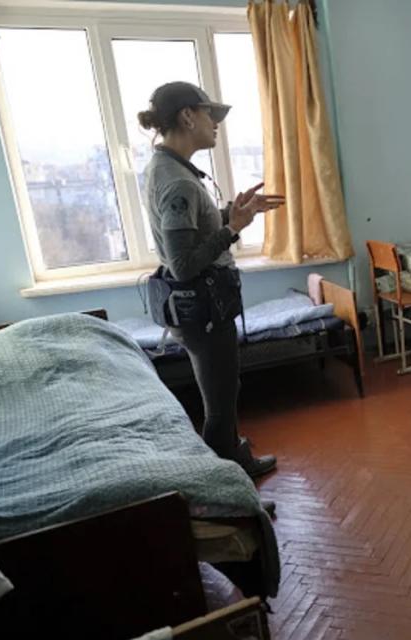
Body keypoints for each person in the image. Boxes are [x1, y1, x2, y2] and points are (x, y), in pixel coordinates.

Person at [138, 81, 284, 479]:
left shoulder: (167, 169)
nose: (216, 125)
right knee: (219, 402)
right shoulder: (178, 181)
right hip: (201, 310)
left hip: (196, 310)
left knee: (223, 392)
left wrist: (231, 212)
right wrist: (233, 228)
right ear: (188, 116)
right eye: (210, 115)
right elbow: (184, 263)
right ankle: (228, 488)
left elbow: (190, 234)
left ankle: (233, 454)